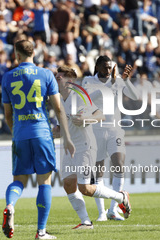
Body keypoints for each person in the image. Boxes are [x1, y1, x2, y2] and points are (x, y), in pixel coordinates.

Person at [1, 40, 75, 240]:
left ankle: (10, 206)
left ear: (16, 55)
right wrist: (67, 137)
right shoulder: (45, 74)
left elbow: (8, 114)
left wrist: (15, 132)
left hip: (20, 134)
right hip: (42, 132)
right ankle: (41, 231)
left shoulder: (7, 77)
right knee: (45, 182)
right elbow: (59, 109)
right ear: (35, 53)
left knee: (19, 180)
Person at [54, 66, 131, 229]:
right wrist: (52, 132)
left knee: (85, 188)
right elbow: (61, 127)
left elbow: (100, 115)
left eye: (59, 77)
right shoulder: (57, 99)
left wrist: (85, 119)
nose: (56, 79)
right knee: (68, 184)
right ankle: (86, 222)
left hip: (85, 146)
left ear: (69, 81)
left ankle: (120, 197)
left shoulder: (79, 96)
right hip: (69, 147)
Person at [82, 55, 138, 221]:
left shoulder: (117, 79)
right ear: (98, 66)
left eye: (110, 67)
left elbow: (135, 96)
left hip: (114, 129)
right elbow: (89, 98)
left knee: (119, 164)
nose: (108, 71)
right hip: (96, 130)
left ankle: (113, 210)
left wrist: (126, 81)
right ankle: (101, 213)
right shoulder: (88, 80)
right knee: (98, 172)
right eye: (105, 67)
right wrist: (111, 86)